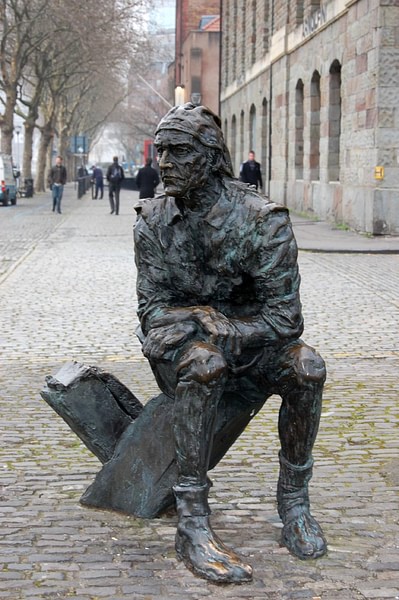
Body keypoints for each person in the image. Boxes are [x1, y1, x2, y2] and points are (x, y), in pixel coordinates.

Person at [133, 103, 327, 583]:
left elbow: (286, 318)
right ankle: (193, 521)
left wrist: (233, 330)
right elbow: (152, 310)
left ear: (211, 155)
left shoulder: (263, 221)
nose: (165, 162)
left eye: (178, 151)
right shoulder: (152, 221)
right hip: (182, 343)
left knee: (307, 368)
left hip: (255, 341)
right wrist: (200, 317)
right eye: (161, 152)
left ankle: (294, 503)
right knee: (203, 363)